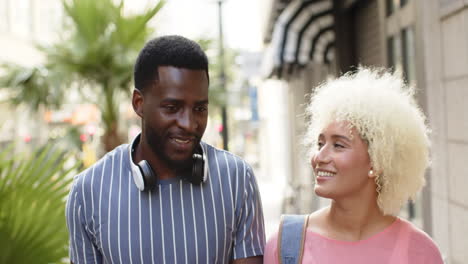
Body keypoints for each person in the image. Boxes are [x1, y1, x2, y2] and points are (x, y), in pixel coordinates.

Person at [66, 35, 265, 264]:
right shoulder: (88, 191)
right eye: (172, 107)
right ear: (138, 104)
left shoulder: (237, 179)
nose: (189, 124)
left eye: (199, 108)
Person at [264, 68, 444, 264]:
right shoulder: (285, 245)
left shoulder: (419, 251)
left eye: (338, 145)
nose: (319, 157)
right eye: (320, 143)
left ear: (378, 161)